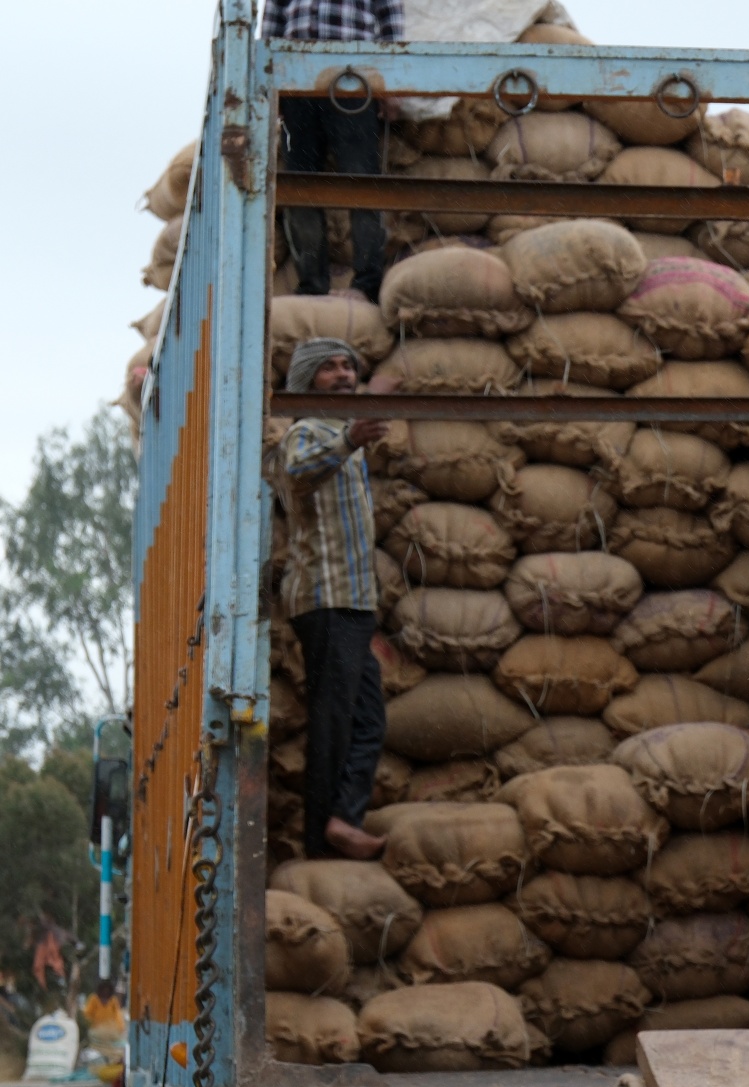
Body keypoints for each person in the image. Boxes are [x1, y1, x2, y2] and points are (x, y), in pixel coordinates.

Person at [270, 339, 388, 861]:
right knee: (334, 719)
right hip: (326, 599)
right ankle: (323, 839)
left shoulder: (343, 437)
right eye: (329, 369)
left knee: (368, 719)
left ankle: (342, 818)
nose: (343, 375)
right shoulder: (306, 433)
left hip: (354, 601)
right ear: (305, 381)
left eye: (348, 367)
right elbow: (296, 474)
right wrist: (348, 440)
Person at [261, 0, 404, 302]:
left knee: (362, 182)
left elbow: (391, 18)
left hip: (354, 81)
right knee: (301, 188)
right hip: (298, 82)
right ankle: (312, 283)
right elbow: (271, 25)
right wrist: (268, 86)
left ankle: (367, 283)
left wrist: (390, 83)